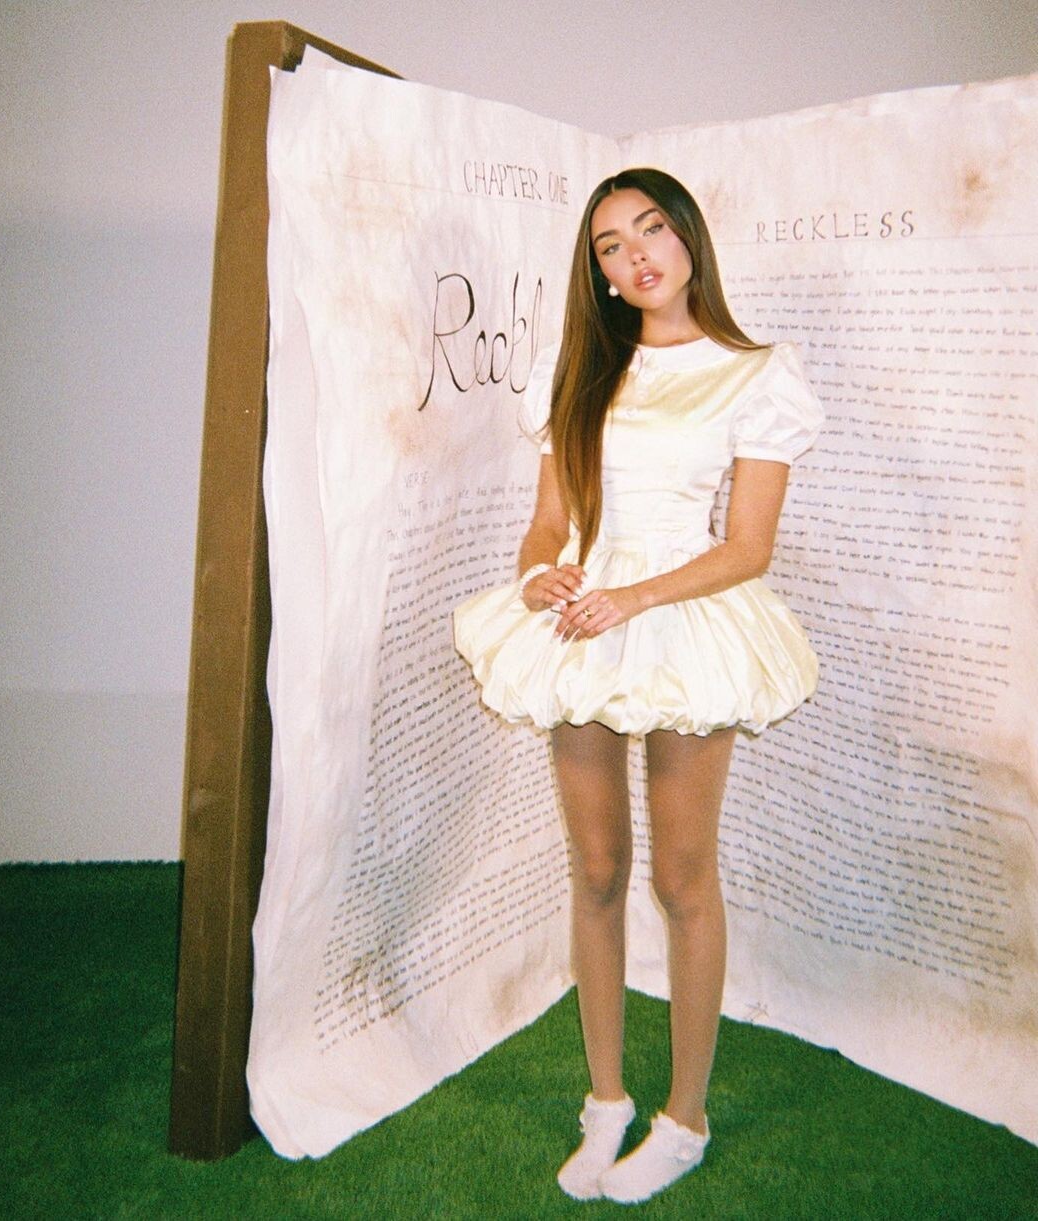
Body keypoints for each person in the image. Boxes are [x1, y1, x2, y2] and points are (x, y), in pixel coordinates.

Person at [453, 167, 823, 1205]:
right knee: (599, 866)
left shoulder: (756, 372)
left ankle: (684, 1119)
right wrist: (542, 573)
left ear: (688, 236)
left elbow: (747, 547)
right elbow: (548, 520)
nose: (634, 255)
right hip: (581, 623)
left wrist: (635, 597)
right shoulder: (580, 368)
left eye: (649, 229)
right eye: (609, 246)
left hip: (684, 621)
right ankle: (606, 1099)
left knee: (682, 878)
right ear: (602, 276)